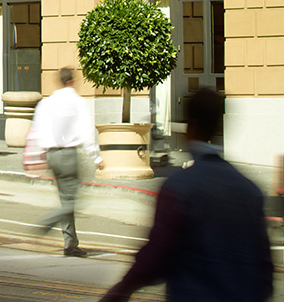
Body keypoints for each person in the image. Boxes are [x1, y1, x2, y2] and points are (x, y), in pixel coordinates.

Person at [100, 87, 273, 301]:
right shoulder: (249, 190)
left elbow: (156, 257)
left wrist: (121, 290)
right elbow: (264, 269)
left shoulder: (179, 187)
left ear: (191, 127)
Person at [29, 67, 103, 257]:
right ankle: (48, 221)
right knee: (73, 202)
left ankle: (70, 244)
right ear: (71, 81)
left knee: (66, 199)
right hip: (68, 155)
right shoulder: (77, 102)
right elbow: (86, 132)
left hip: (51, 155)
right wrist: (96, 157)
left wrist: (37, 157)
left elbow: (37, 130)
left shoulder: (46, 103)